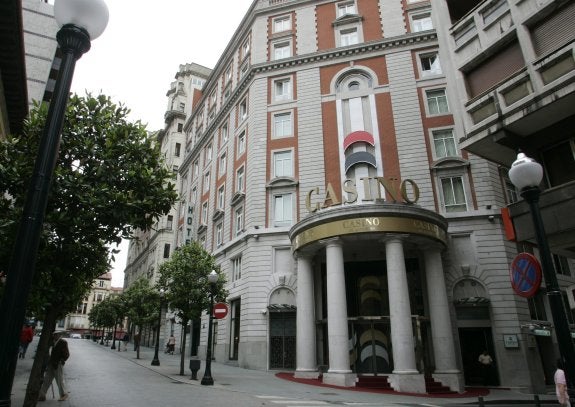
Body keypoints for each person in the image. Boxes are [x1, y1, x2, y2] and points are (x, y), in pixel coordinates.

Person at [38, 331, 70, 402]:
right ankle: (42, 395)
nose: (55, 336)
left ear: (59, 335)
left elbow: (67, 354)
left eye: (56, 335)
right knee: (46, 379)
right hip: (51, 363)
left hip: (58, 364)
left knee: (59, 380)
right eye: (54, 335)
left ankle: (64, 394)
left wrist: (61, 361)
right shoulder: (53, 342)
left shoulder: (63, 342)